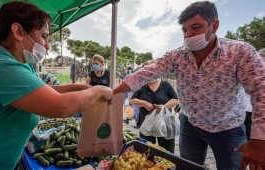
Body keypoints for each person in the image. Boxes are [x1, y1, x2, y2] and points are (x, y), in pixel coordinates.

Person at [113, 1, 265, 169]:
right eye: (185, 30)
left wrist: (259, 139)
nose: (188, 34)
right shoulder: (176, 56)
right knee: (187, 166)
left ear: (214, 25)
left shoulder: (240, 52)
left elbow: (261, 91)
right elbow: (147, 72)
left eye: (195, 27)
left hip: (228, 129)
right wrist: (112, 93)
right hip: (191, 125)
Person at [0, 2, 112, 170]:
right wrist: (98, 90)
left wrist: (76, 88)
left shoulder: (18, 63)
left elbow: (40, 91)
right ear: (19, 32)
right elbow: (62, 107)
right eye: (44, 36)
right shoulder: (1, 68)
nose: (48, 45)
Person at [129, 60, 179, 153]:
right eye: (147, 73)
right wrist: (144, 103)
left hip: (165, 124)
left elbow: (175, 99)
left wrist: (164, 107)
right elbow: (132, 100)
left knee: (167, 151)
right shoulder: (141, 86)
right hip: (146, 124)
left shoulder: (166, 85)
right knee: (146, 150)